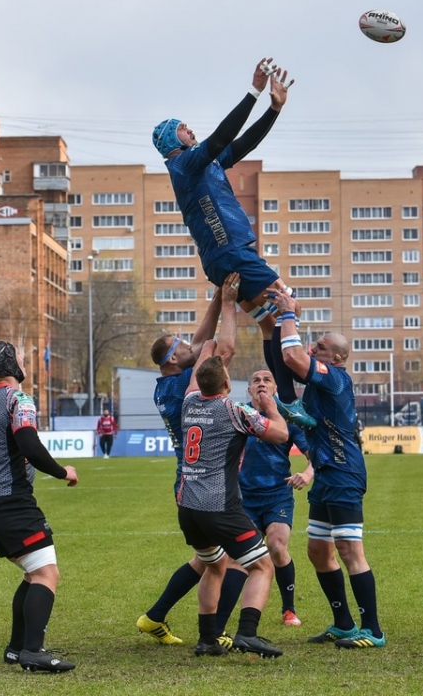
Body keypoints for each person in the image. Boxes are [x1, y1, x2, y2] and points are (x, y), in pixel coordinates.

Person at [153, 60, 309, 425]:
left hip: (229, 256)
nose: (191, 130)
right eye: (183, 129)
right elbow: (223, 137)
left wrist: (273, 109)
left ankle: (286, 398)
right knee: (291, 307)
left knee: (271, 324)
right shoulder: (183, 165)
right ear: (171, 142)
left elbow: (239, 144)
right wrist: (253, 91)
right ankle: (310, 379)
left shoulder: (202, 164)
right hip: (231, 252)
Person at [137, 275, 247, 647]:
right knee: (232, 560)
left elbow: (202, 341)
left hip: (190, 482)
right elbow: (221, 349)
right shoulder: (180, 387)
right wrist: (229, 304)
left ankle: (154, 617)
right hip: (205, 484)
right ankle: (217, 634)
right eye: (183, 345)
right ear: (173, 360)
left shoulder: (174, 376)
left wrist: (218, 294)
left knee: (208, 561)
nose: (191, 344)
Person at [274, 290, 385, 650]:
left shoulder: (336, 378)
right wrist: (278, 323)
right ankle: (343, 623)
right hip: (325, 472)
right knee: (318, 551)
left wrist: (289, 313)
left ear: (335, 358)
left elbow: (291, 356)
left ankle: (373, 630)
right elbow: (285, 361)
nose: (313, 350)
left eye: (320, 347)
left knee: (350, 548)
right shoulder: (321, 383)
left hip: (343, 472)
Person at [0, 340, 79, 673]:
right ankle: (32, 651)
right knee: (47, 573)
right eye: (20, 354)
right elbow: (29, 445)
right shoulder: (17, 398)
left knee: (34, 574)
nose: (24, 359)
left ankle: (17, 647)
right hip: (12, 502)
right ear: (11, 363)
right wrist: (64, 471)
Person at [179, 351, 290, 658]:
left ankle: (207, 640)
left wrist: (208, 349)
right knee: (262, 565)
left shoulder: (188, 402)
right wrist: (272, 409)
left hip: (188, 506)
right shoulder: (235, 411)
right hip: (220, 506)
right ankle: (247, 633)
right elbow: (280, 435)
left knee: (214, 566)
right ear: (227, 382)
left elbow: (195, 381)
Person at [238, 368, 314, 627]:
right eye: (256, 380)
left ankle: (289, 610)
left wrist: (307, 473)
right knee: (238, 557)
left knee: (277, 547)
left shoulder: (288, 419)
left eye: (267, 380)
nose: (261, 383)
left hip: (277, 495)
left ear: (274, 389)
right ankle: (231, 613)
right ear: (249, 390)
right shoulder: (239, 415)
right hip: (243, 497)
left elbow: (313, 457)